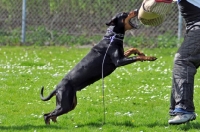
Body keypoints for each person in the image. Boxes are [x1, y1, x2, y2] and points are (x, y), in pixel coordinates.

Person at [138, 0, 200, 125]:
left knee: (183, 61)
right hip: (194, 26)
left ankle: (183, 110)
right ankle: (179, 109)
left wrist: (148, 5)